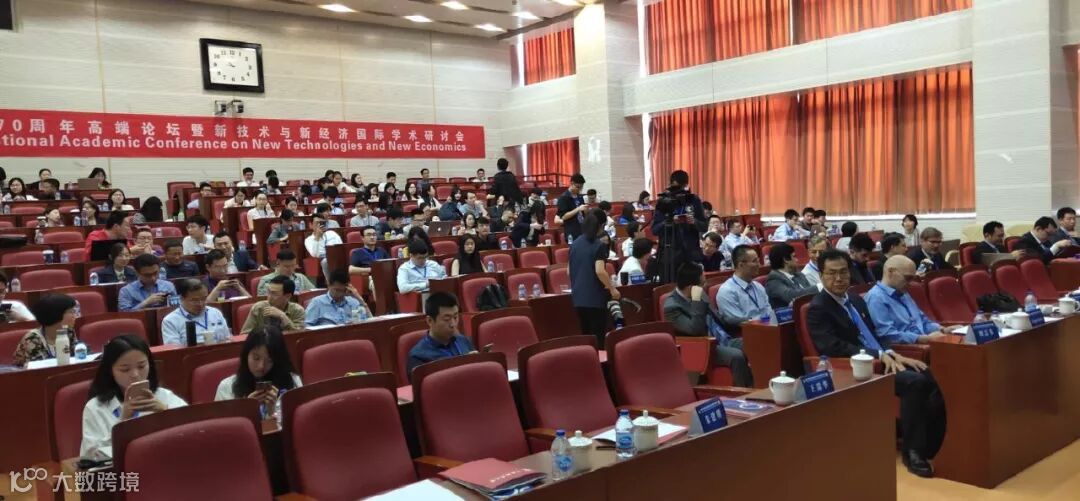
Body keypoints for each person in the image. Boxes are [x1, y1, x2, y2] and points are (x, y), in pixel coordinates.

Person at [806, 249, 945, 478]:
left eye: (843, 272)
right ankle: (913, 452)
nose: (839, 278)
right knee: (914, 382)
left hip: (880, 359)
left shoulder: (854, 300)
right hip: (855, 368)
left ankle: (932, 441)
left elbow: (873, 335)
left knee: (928, 373)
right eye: (831, 273)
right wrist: (878, 355)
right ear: (821, 275)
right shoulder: (818, 308)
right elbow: (833, 347)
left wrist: (894, 354)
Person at [81, 335, 188, 460]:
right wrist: (123, 423)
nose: (135, 374)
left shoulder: (163, 396)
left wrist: (166, 412)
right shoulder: (96, 407)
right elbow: (90, 456)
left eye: (141, 366)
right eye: (125, 369)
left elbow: (192, 432)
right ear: (110, 371)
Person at [664, 263, 753, 387]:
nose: (705, 286)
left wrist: (745, 321)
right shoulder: (672, 307)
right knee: (736, 355)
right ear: (691, 287)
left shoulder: (700, 292)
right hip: (703, 346)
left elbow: (719, 318)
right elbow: (694, 329)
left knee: (754, 343)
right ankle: (744, 392)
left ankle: (762, 384)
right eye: (703, 284)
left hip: (722, 338)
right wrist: (696, 302)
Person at [866, 255, 955, 345]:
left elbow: (923, 322)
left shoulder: (903, 293)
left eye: (913, 279)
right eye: (908, 278)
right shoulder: (876, 297)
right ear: (891, 272)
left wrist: (943, 329)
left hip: (923, 343)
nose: (911, 283)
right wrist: (925, 339)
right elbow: (887, 335)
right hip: (907, 349)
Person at [216, 326, 301, 405]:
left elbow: (297, 414)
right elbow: (221, 417)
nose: (261, 366)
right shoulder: (226, 387)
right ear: (246, 355)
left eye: (269, 361)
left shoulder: (293, 381)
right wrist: (246, 408)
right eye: (256, 358)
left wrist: (274, 410)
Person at [570, 209, 619, 344]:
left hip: (578, 297)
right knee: (599, 338)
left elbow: (568, 271)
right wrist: (612, 289)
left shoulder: (575, 243)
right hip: (595, 297)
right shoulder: (598, 245)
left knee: (586, 336)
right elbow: (600, 271)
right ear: (601, 226)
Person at [406, 292, 475, 380]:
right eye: (447, 319)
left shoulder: (464, 341)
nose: (453, 324)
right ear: (430, 321)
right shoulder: (418, 357)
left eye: (455, 317)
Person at [12, 294, 78, 367]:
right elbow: (39, 368)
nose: (75, 316)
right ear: (56, 314)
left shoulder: (69, 332)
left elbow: (77, 358)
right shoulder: (32, 338)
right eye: (71, 312)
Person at [160, 279, 231, 346]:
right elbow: (174, 350)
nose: (200, 304)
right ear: (182, 299)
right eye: (194, 300)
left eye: (204, 299)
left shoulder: (215, 313)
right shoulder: (170, 321)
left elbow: (228, 339)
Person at [717, 245, 773, 328]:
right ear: (741, 265)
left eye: (758, 260)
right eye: (755, 261)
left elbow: (769, 312)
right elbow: (741, 323)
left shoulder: (758, 286)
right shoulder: (727, 291)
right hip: (748, 333)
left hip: (769, 329)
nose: (759, 264)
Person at [241, 275, 307, 334]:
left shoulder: (297, 310)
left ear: (288, 296)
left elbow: (298, 336)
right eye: (269, 292)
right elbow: (244, 335)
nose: (269, 297)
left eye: (274, 294)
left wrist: (283, 316)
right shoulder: (259, 308)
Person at [304, 269, 369, 327]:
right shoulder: (317, 302)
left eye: (342, 291)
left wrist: (358, 297)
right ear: (329, 285)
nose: (339, 294)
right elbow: (306, 325)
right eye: (337, 290)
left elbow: (368, 322)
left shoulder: (353, 302)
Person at [764, 242, 818, 309]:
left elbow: (811, 296)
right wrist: (818, 287)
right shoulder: (773, 280)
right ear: (786, 259)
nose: (797, 260)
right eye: (794, 256)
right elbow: (791, 296)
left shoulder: (799, 275)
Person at [305, 213, 344, 280]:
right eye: (317, 223)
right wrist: (317, 237)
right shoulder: (309, 240)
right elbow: (315, 254)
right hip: (325, 260)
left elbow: (340, 247)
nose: (320, 225)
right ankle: (330, 282)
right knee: (326, 261)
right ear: (311, 225)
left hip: (337, 257)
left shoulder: (332, 233)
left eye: (322, 223)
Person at [556, 174, 588, 241]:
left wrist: (585, 211)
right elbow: (564, 217)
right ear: (572, 183)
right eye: (578, 187)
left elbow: (583, 214)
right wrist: (578, 209)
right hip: (572, 232)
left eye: (581, 187)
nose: (580, 189)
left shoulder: (580, 196)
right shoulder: (563, 198)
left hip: (582, 229)